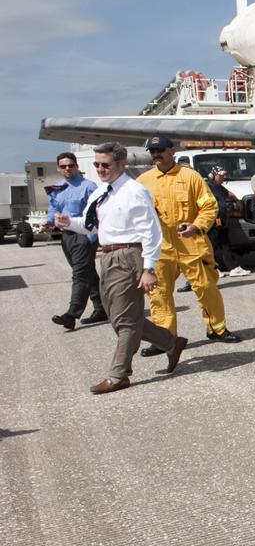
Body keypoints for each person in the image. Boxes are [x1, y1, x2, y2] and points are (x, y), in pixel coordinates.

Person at [54, 143, 187, 393]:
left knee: (125, 321)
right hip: (107, 256)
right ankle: (171, 342)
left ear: (121, 164)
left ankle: (119, 375)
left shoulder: (134, 191)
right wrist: (69, 222)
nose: (101, 169)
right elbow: (93, 225)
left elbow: (151, 231)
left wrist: (149, 268)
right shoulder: (102, 191)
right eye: (97, 165)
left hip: (129, 256)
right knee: (119, 317)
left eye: (106, 165)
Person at [136, 136, 241, 351]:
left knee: (206, 287)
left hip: (192, 243)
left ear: (171, 151)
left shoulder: (191, 177)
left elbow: (209, 207)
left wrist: (196, 226)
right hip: (160, 247)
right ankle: (164, 338)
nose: (156, 154)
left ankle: (217, 329)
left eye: (161, 150)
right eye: (153, 151)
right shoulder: (143, 182)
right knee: (159, 293)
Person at [47, 152, 106, 329]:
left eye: (71, 165)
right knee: (86, 272)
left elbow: (96, 212)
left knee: (79, 274)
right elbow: (53, 208)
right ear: (58, 168)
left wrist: (92, 237)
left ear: (77, 167)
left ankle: (72, 314)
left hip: (83, 235)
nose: (67, 169)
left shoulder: (88, 186)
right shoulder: (57, 188)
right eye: (63, 166)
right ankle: (101, 308)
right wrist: (49, 221)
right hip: (67, 236)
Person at [205, 166, 250, 277]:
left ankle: (233, 268)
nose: (222, 178)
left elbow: (228, 193)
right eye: (220, 175)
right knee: (212, 245)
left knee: (225, 244)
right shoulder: (208, 186)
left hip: (222, 220)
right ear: (213, 175)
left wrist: (236, 200)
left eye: (223, 176)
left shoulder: (219, 187)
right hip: (215, 219)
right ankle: (212, 269)